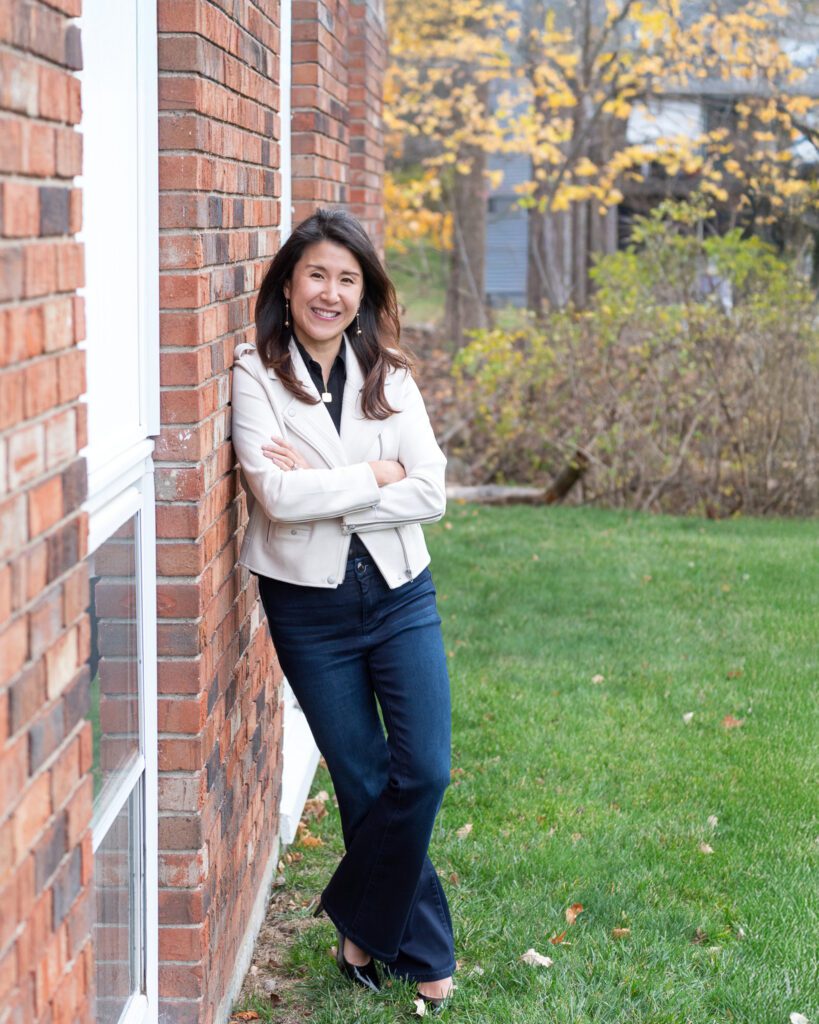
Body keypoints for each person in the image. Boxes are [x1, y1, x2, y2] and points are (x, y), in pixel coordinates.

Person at [230, 208, 455, 1011]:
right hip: (307, 609)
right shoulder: (253, 373)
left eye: (346, 279)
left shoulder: (389, 375)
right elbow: (275, 499)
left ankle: (359, 925)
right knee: (362, 777)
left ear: (364, 294)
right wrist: (377, 476)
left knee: (423, 768)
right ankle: (422, 953)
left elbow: (430, 491)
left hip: (398, 594)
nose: (329, 292)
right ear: (288, 284)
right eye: (316, 274)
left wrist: (339, 489)